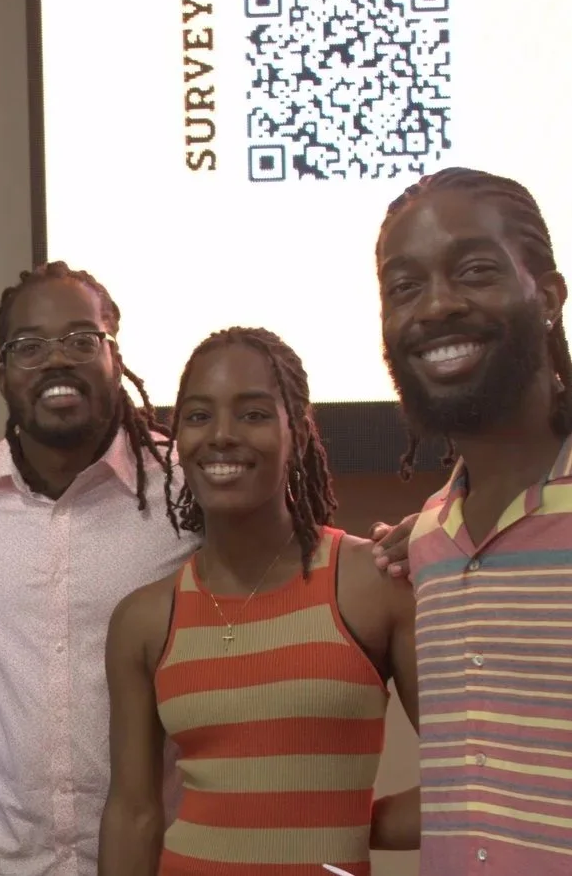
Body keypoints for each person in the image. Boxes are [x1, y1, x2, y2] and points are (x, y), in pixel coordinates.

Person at [0, 262, 194, 876]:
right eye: (29, 346)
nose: (56, 361)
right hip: (0, 865)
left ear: (114, 356)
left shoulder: (185, 489)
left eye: (81, 340)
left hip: (159, 862)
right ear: (3, 374)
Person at [98, 327, 419, 876]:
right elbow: (133, 814)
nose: (221, 435)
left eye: (253, 414)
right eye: (198, 416)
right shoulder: (144, 619)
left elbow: (473, 776)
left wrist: (350, 822)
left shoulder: (371, 582)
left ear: (299, 433)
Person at [375, 166, 572, 870]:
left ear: (547, 297)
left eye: (474, 271)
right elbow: (481, 790)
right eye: (403, 287)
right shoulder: (430, 540)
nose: (435, 306)